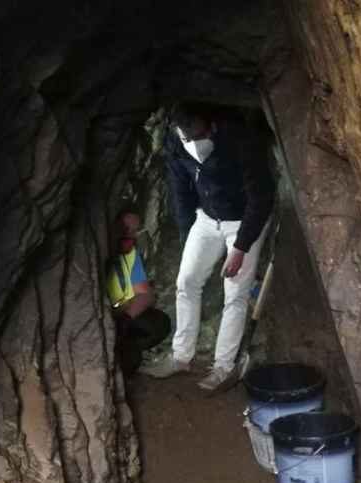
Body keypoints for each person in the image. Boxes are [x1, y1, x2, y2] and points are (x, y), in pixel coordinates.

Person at [141, 101, 275, 390]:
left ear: (212, 126)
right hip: (207, 217)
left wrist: (239, 249)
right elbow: (180, 193)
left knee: (236, 293)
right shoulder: (176, 144)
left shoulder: (241, 142)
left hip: (243, 220)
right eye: (188, 137)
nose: (195, 144)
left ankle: (223, 367)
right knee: (186, 281)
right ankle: (181, 357)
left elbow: (261, 198)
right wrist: (187, 234)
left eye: (201, 136)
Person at [106, 206, 171, 377]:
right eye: (126, 229)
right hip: (107, 316)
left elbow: (146, 295)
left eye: (135, 231)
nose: (131, 235)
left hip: (123, 316)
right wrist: (123, 308)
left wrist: (125, 317)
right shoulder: (100, 254)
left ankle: (124, 349)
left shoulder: (130, 254)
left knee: (160, 324)